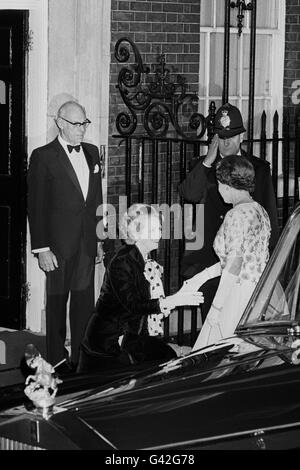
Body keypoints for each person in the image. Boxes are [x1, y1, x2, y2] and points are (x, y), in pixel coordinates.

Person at [179, 102, 279, 322]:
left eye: (231, 137)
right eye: (221, 137)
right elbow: (189, 194)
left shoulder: (258, 168)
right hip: (209, 259)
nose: (226, 143)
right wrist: (207, 161)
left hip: (245, 268)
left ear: (241, 137)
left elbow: (269, 215)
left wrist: (271, 263)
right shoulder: (204, 166)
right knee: (212, 323)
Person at [77, 203, 204, 373]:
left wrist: (184, 293)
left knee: (170, 361)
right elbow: (135, 306)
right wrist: (173, 300)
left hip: (132, 336)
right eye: (151, 230)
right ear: (135, 232)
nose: (158, 234)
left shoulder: (145, 259)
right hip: (107, 344)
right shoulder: (121, 262)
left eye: (159, 228)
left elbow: (150, 304)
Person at [27, 100, 103, 369]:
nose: (82, 129)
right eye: (76, 123)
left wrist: (99, 238)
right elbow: (35, 206)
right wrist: (42, 248)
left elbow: (95, 200)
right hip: (57, 247)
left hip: (86, 243)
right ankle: (57, 362)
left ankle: (81, 360)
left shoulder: (93, 153)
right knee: (57, 305)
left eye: (84, 123)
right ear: (59, 122)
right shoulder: (43, 156)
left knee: (85, 304)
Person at [189, 155, 271, 350]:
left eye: (219, 184)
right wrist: (201, 277)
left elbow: (234, 266)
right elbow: (242, 260)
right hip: (258, 294)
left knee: (215, 353)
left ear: (227, 185)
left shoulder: (235, 215)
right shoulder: (260, 211)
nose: (218, 190)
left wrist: (217, 307)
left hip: (236, 294)